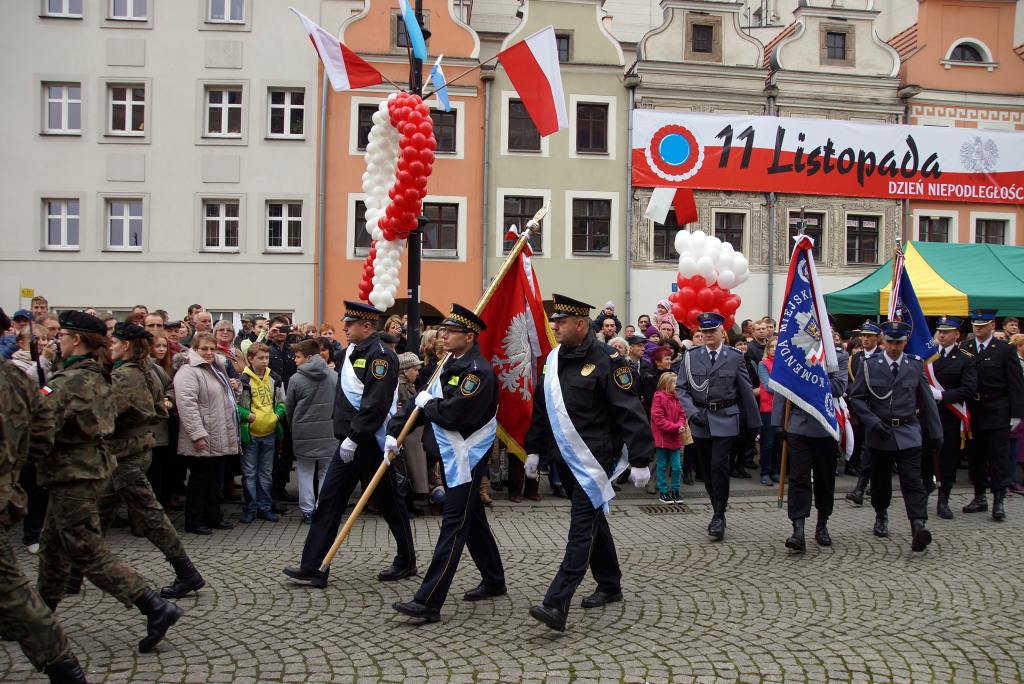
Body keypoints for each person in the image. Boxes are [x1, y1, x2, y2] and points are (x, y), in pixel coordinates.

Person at [35, 311, 183, 654]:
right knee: (53, 546)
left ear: (76, 340)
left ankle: (154, 605)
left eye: (62, 336)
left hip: (74, 473)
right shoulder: (98, 375)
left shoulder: (72, 381)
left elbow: (42, 431)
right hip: (86, 470)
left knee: (87, 550)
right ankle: (38, 616)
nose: (58, 340)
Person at [523, 294, 654, 632]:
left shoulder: (609, 360)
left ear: (581, 324)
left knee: (581, 527)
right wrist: (533, 449)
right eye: (554, 322)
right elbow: (541, 408)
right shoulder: (553, 360)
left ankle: (556, 603)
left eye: (561, 322)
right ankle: (609, 584)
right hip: (563, 457)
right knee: (594, 519)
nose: (555, 327)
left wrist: (640, 458)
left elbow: (629, 410)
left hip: (595, 459)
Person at [283, 301, 415, 588]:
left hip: (368, 444)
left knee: (390, 504)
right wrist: (348, 439)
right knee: (329, 500)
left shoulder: (381, 357)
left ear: (367, 326)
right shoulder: (349, 353)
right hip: (348, 442)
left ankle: (406, 560)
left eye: (349, 324)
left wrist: (354, 438)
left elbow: (375, 404)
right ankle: (314, 567)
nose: (343, 328)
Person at [390, 305, 506, 623]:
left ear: (469, 337)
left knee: (454, 525)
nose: (444, 336)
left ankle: (428, 601)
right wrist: (393, 433)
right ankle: (494, 579)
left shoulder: (477, 372)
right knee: (474, 520)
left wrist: (430, 405)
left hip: (468, 457)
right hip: (451, 454)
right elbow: (419, 401)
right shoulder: (448, 364)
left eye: (451, 332)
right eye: (443, 331)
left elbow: (455, 414)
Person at [0, 308, 89, 684]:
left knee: (11, 586)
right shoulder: (17, 377)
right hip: (11, 486)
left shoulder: (19, 377)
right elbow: (41, 432)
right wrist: (18, 469)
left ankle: (63, 666)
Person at [96, 323, 206, 598]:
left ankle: (186, 572)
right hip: (132, 451)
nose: (111, 346)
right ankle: (72, 574)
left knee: (151, 516)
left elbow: (107, 416)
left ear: (126, 346)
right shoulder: (147, 370)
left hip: (126, 455)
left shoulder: (126, 376)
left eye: (115, 342)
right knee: (99, 513)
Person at [848, 321, 942, 551]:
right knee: (880, 481)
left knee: (913, 480)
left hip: (908, 431)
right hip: (880, 433)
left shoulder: (914, 365)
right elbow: (857, 398)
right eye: (890, 341)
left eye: (898, 342)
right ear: (883, 340)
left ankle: (918, 525)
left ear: (905, 341)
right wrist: (872, 422)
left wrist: (936, 431)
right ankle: (881, 514)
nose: (893, 347)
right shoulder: (869, 365)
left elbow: (927, 400)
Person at [676, 312, 760, 541]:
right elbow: (681, 388)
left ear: (722, 332)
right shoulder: (691, 356)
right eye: (704, 331)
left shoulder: (734, 356)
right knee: (707, 470)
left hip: (726, 417)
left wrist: (755, 423)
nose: (708, 335)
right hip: (701, 418)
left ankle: (719, 515)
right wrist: (692, 412)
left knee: (719, 467)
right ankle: (717, 507)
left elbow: (745, 389)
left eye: (712, 331)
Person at [774, 340, 849, 552]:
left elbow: (839, 387)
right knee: (799, 479)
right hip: (798, 425)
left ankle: (822, 524)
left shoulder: (837, 357)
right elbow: (782, 385)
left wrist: (809, 378)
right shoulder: (795, 353)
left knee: (825, 479)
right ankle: (798, 530)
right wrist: (778, 422)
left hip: (825, 427)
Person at [960, 309, 1024, 520]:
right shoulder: (966, 347)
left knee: (998, 458)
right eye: (975, 325)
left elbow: (1016, 384)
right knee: (976, 457)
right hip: (973, 410)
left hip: (997, 410)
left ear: (992, 325)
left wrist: (1016, 414)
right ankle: (979, 497)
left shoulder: (1005, 349)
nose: (978, 328)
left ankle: (998, 500)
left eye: (982, 325)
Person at [173, 331, 240, 534]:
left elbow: (223, 398)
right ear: (194, 349)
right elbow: (187, 406)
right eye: (204, 349)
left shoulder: (216, 367)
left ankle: (213, 516)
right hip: (203, 434)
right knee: (199, 480)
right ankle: (194, 521)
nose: (209, 352)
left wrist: (235, 387)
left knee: (215, 480)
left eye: (212, 348)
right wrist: (197, 434)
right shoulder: (188, 371)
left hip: (218, 432)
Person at [925, 317, 977, 519]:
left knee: (947, 460)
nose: (941, 334)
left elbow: (969, 389)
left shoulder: (965, 358)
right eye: (939, 331)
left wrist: (942, 396)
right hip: (927, 416)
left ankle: (943, 500)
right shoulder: (927, 355)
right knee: (924, 458)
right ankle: (922, 494)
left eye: (946, 332)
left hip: (950, 416)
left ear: (957, 335)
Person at [287, 338, 338, 525]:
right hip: (330, 430)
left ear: (309, 357)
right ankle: (323, 508)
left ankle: (308, 511)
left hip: (303, 431)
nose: (295, 360)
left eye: (298, 356)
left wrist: (292, 425)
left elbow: (289, 407)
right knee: (326, 472)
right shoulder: (334, 376)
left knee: (305, 472)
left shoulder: (296, 379)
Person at [237, 343, 285, 524]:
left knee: (266, 473)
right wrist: (247, 415)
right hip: (250, 433)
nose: (265, 361)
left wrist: (276, 416)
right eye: (261, 358)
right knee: (250, 473)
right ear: (250, 359)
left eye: (267, 358)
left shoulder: (275, 378)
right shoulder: (243, 380)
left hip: (269, 432)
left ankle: (265, 507)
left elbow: (282, 402)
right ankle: (250, 508)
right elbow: (235, 405)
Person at [846, 321, 883, 505]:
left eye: (869, 336)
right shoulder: (856, 358)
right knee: (862, 445)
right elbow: (850, 381)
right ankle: (861, 487)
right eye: (863, 336)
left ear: (877, 338)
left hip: (877, 411)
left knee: (873, 451)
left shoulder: (882, 356)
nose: (865, 339)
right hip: (859, 409)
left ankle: (864, 488)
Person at [650, 371, 687, 505]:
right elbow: (658, 420)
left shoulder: (678, 398)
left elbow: (683, 414)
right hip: (662, 439)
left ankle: (675, 490)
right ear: (666, 384)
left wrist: (680, 425)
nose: (678, 385)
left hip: (675, 437)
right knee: (662, 466)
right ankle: (663, 491)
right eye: (675, 383)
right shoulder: (658, 398)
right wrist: (676, 427)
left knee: (677, 467)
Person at [757, 338, 782, 486]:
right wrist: (785, 387)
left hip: (782, 408)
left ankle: (775, 471)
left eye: (777, 346)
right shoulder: (763, 364)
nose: (774, 348)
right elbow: (768, 386)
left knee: (779, 442)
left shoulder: (785, 364)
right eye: (772, 346)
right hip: (768, 408)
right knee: (768, 442)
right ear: (768, 348)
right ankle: (765, 473)